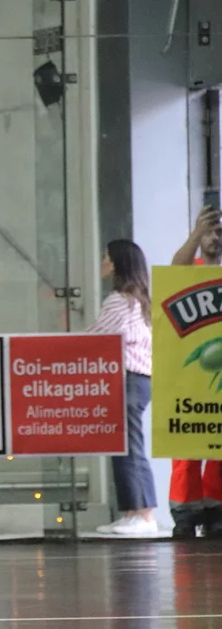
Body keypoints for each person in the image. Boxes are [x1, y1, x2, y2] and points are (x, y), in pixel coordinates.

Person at [88, 239, 157, 536]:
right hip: (139, 380)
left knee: (128, 446)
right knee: (125, 445)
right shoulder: (140, 301)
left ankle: (143, 514)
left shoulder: (119, 300)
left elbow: (98, 336)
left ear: (118, 264)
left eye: (107, 257)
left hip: (127, 378)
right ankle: (133, 512)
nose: (103, 262)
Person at [170, 205, 222, 537]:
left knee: (219, 446)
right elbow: (174, 270)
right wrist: (196, 233)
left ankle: (216, 509)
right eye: (210, 232)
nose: (215, 238)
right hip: (189, 377)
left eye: (219, 233)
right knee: (186, 444)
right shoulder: (192, 268)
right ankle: (185, 512)